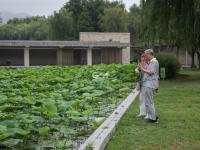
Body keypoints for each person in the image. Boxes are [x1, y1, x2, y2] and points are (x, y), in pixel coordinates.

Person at [139, 49, 159, 123]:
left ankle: (153, 119)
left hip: (149, 84)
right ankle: (153, 116)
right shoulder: (150, 62)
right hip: (147, 84)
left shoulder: (154, 62)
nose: (145, 56)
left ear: (149, 54)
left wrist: (142, 68)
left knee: (149, 102)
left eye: (146, 55)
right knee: (148, 102)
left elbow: (151, 72)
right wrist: (142, 66)